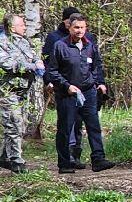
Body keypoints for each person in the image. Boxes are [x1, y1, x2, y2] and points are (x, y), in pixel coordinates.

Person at [43, 13, 112, 174]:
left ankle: (98, 159)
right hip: (67, 93)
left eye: (82, 27)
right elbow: (52, 70)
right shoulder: (60, 46)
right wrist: (66, 86)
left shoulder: (90, 45)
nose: (79, 31)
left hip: (88, 92)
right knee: (66, 128)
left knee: (93, 125)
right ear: (70, 28)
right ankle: (65, 163)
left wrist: (98, 83)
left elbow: (96, 66)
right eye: (76, 28)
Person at [0, 12, 40, 173]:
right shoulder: (2, 42)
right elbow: (7, 64)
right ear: (12, 27)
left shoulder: (23, 42)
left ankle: (4, 157)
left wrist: (37, 62)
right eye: (22, 25)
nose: (24, 27)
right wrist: (30, 67)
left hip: (22, 92)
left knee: (18, 125)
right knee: (14, 123)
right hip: (7, 91)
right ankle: (17, 160)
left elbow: (33, 57)